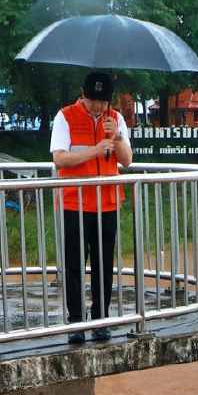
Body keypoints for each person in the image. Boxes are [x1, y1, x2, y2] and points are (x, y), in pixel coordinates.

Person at [50, 72, 133, 343]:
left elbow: (127, 161)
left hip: (107, 202)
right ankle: (76, 321)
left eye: (102, 100)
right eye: (92, 99)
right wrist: (96, 150)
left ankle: (100, 319)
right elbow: (60, 159)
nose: (97, 106)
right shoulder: (65, 116)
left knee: (103, 263)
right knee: (74, 264)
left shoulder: (116, 120)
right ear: (82, 93)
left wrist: (117, 137)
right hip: (75, 201)